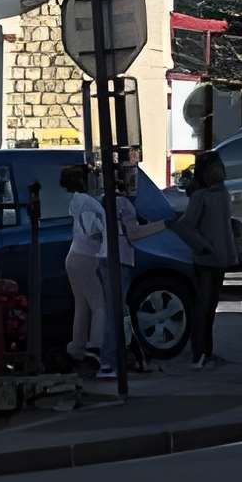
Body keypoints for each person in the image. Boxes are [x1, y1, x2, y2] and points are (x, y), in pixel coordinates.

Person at [61, 162, 158, 379]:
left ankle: (78, 346)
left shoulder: (78, 200)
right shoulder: (88, 202)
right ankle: (97, 350)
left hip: (76, 255)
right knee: (101, 307)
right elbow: (91, 229)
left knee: (83, 305)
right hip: (87, 256)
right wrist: (108, 228)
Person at [166, 150, 236, 368]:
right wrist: (203, 247)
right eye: (214, 167)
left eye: (219, 166)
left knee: (211, 306)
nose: (219, 171)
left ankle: (207, 352)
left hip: (218, 257)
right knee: (204, 306)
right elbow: (187, 226)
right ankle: (200, 354)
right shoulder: (201, 196)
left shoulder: (220, 192)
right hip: (206, 259)